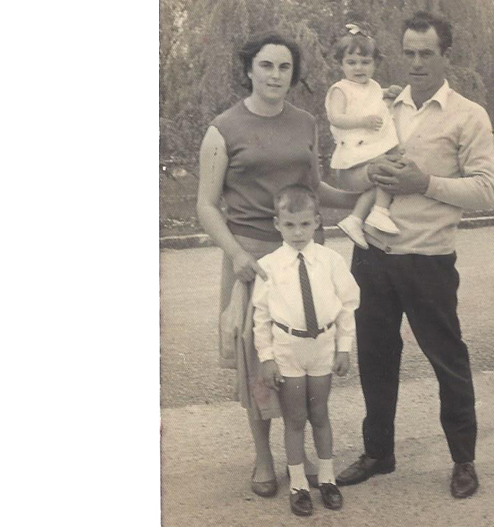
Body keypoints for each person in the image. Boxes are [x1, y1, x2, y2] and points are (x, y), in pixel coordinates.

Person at [335, 11, 494, 500]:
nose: (416, 62)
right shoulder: (380, 106)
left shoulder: (469, 115)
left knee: (448, 360)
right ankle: (378, 453)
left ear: (446, 54)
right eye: (408, 52)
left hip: (428, 258)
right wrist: (370, 178)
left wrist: (423, 183)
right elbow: (346, 173)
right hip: (372, 255)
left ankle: (463, 460)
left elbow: (488, 191)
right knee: (375, 358)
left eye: (426, 53)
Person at [196, 30, 358, 500]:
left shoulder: (306, 123)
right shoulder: (222, 128)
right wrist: (238, 254)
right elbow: (206, 205)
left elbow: (315, 190)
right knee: (259, 360)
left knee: (302, 358)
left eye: (284, 67)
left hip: (304, 257)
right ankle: (264, 457)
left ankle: (299, 455)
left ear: (294, 74)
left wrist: (357, 197)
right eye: (266, 65)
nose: (275, 75)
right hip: (252, 258)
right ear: (249, 69)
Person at [252, 185, 360, 516]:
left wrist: (344, 348)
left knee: (320, 414)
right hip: (288, 349)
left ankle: (327, 479)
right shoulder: (268, 266)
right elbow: (261, 317)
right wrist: (267, 358)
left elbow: (346, 306)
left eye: (304, 224)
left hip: (322, 346)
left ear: (316, 222)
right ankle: (298, 483)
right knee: (296, 418)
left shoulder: (331, 261)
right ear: (277, 224)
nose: (297, 233)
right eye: (289, 225)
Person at [326, 24, 404, 249]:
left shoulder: (371, 86)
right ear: (341, 64)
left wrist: (388, 93)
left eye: (365, 62)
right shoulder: (340, 89)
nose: (358, 68)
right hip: (353, 152)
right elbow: (335, 117)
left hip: (368, 149)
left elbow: (370, 98)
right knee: (386, 167)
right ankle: (377, 212)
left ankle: (358, 218)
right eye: (351, 62)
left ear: (375, 63)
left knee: (391, 164)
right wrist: (362, 121)